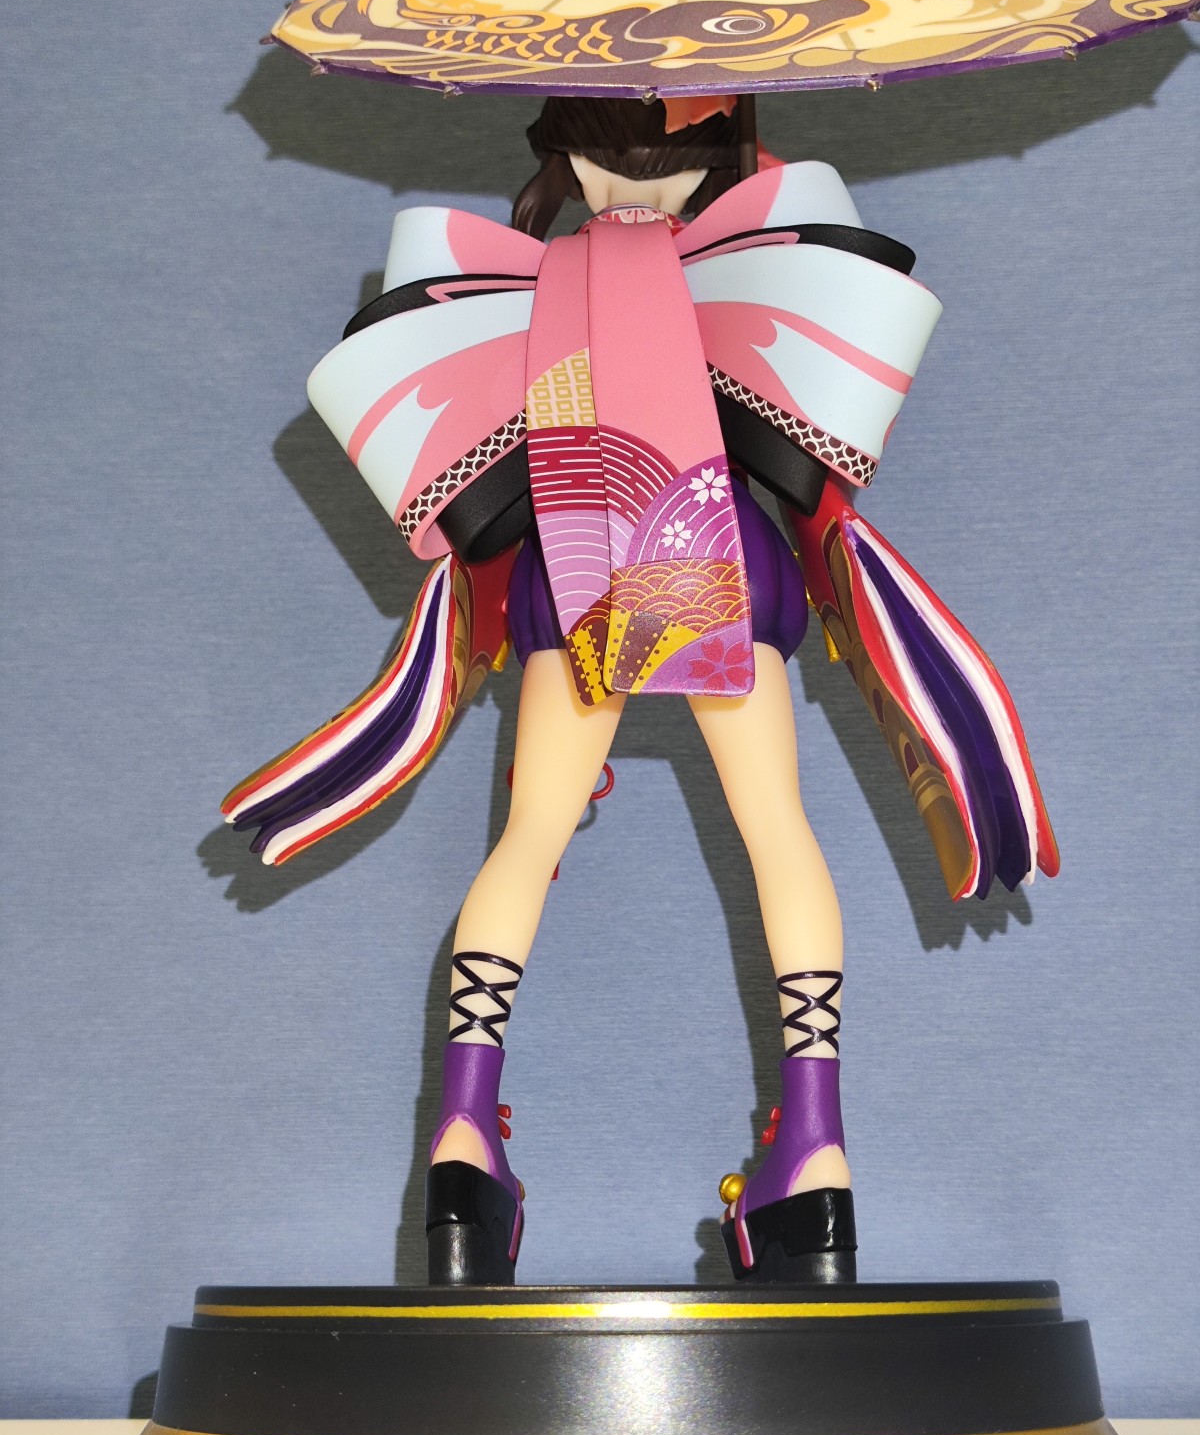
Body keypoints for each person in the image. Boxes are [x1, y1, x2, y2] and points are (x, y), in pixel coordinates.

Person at [224, 96, 1057, 1286]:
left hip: (582, 570)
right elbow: (808, 413)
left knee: (527, 838)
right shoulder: (737, 261)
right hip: (718, 557)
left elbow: (487, 441)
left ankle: (463, 1141)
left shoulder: (534, 286)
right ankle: (815, 1152)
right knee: (780, 833)